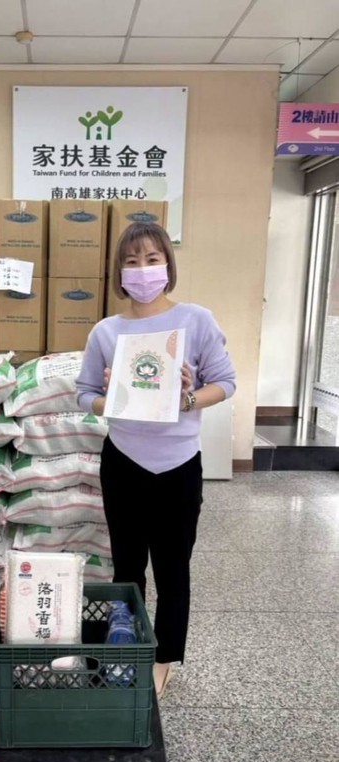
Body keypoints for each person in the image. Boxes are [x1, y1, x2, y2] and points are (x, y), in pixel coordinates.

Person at [75, 221, 236, 699]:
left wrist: (186, 399)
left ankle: (165, 658)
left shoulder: (196, 321)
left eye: (151, 259)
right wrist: (112, 399)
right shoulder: (107, 332)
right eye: (131, 262)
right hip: (123, 462)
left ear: (167, 265)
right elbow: (84, 394)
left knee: (173, 568)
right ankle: (126, 647)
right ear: (119, 272)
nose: (142, 270)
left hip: (178, 464)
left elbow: (225, 383)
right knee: (126, 566)